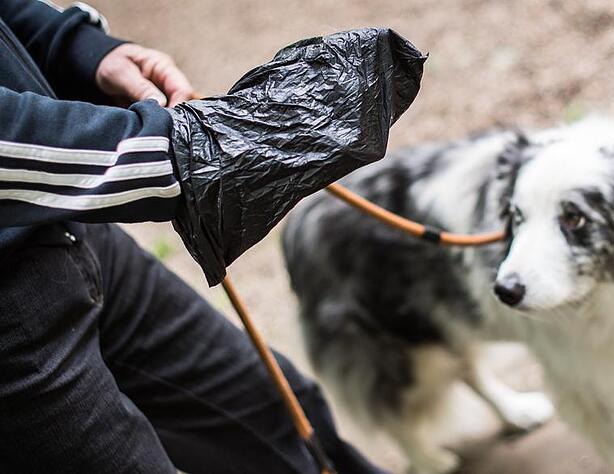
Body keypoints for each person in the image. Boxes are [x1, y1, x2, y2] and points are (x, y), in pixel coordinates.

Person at [0, 2, 390, 473]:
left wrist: (79, 49)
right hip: (11, 340)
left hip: (71, 233)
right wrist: (185, 152)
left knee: (284, 415)